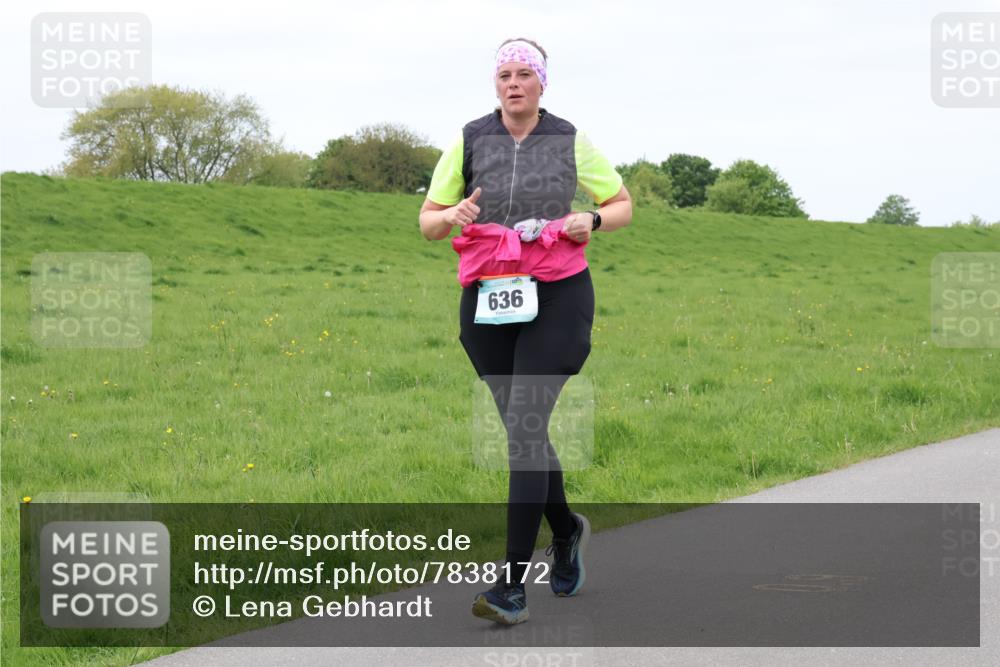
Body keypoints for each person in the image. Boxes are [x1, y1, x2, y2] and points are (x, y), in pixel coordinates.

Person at [418, 37, 632, 625]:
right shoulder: (467, 140)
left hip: (559, 292)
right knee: (524, 429)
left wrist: (589, 218)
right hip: (488, 298)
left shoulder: (569, 139)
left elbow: (621, 205)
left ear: (542, 83)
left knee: (525, 426)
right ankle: (565, 531)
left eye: (524, 74)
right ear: (495, 84)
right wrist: (451, 216)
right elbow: (428, 223)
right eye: (504, 74)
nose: (513, 83)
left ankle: (511, 587)